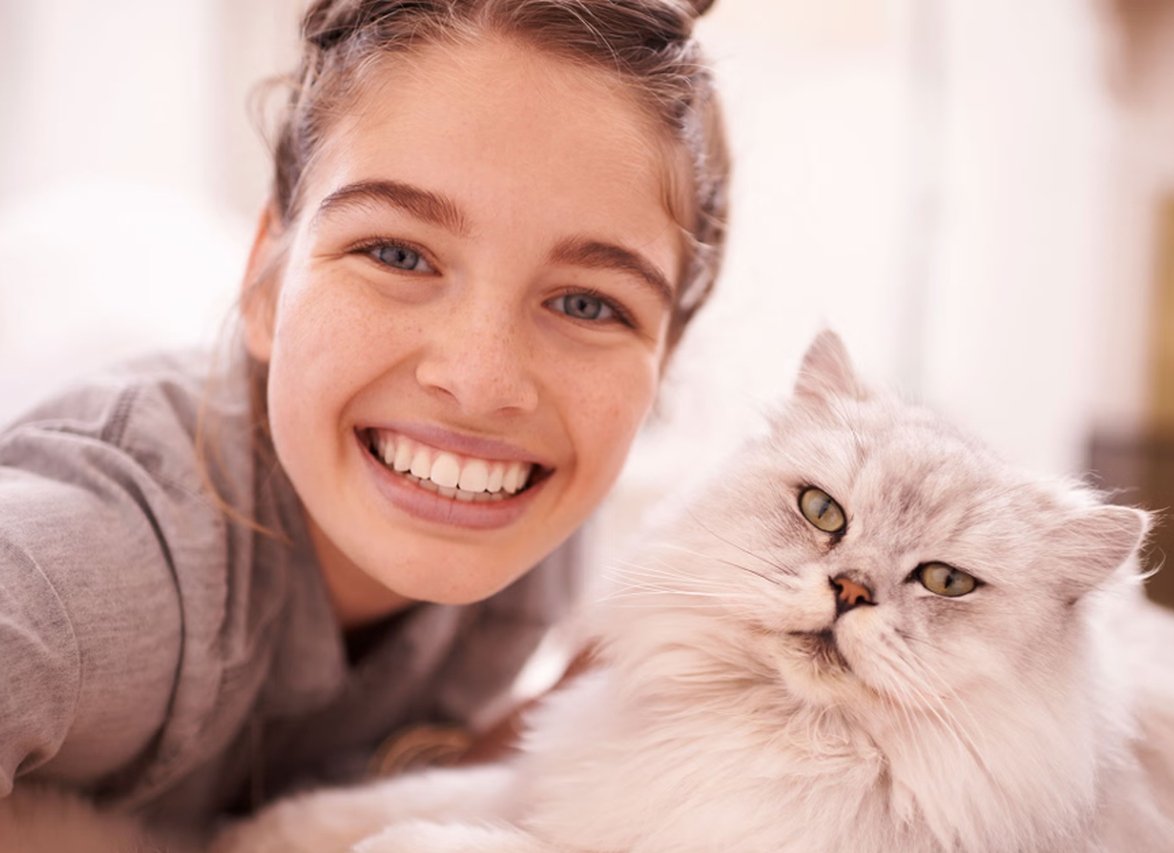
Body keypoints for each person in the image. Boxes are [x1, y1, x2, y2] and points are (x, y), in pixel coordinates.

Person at [0, 0, 729, 839]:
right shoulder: (108, 563)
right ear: (267, 285)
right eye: (397, 253)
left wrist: (552, 722)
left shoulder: (530, 536)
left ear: (661, 369)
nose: (482, 384)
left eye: (585, 303)